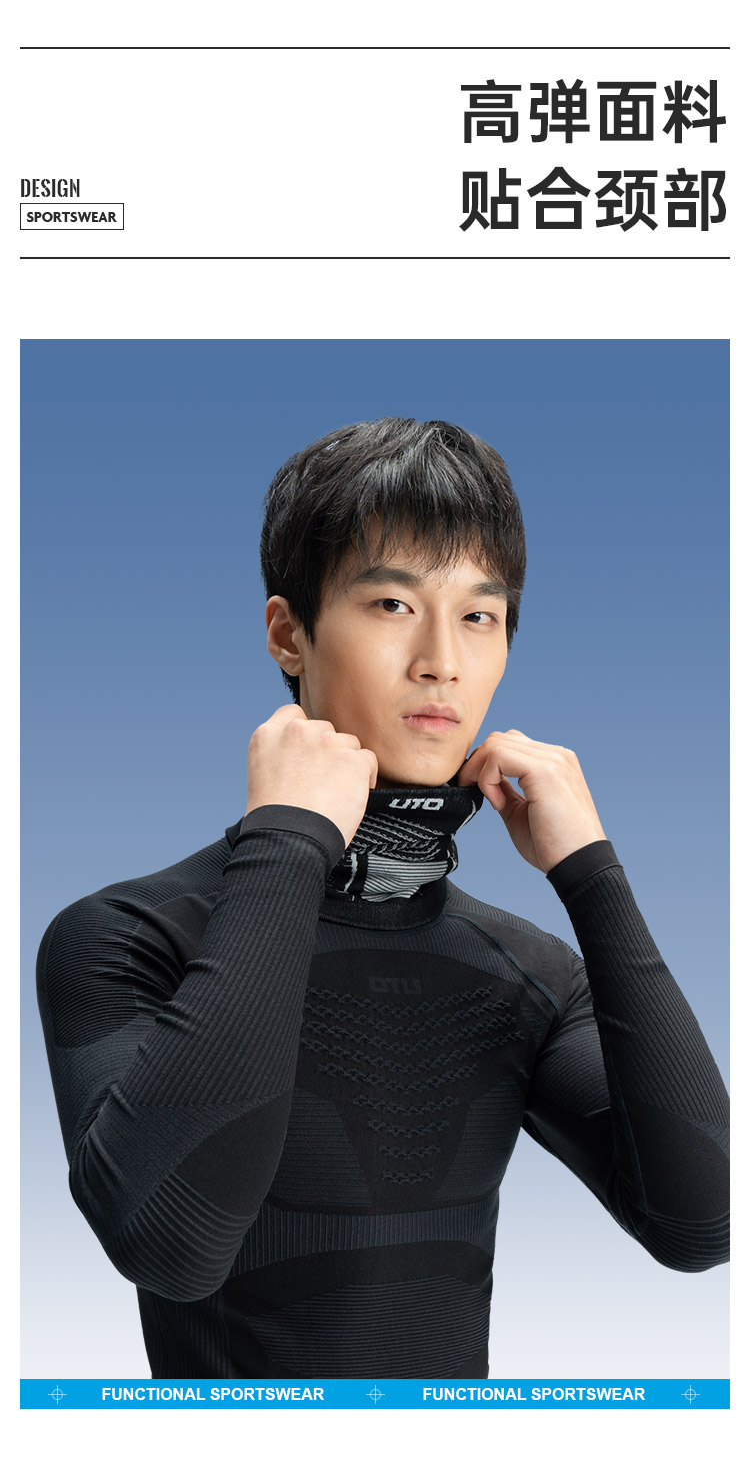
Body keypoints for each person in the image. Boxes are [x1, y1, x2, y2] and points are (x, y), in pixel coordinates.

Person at [37, 417, 729, 1380]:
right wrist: (288, 841)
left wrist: (594, 876)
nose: (442, 659)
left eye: (479, 615)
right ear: (289, 633)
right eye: (394, 603)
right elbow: (171, 1245)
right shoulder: (125, 936)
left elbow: (705, 1225)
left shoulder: (529, 972)